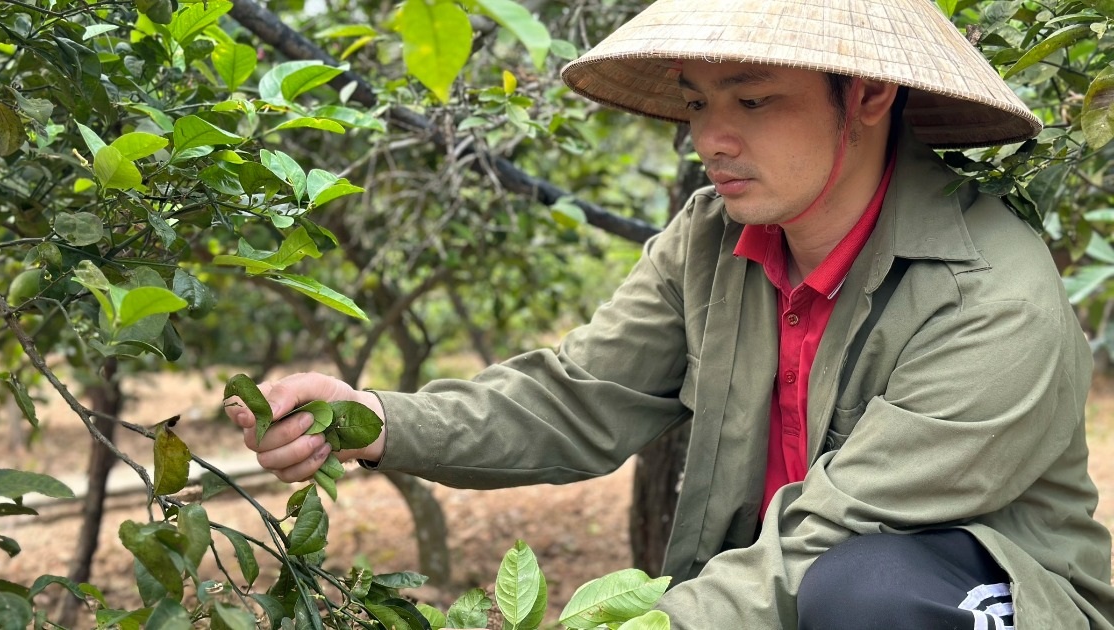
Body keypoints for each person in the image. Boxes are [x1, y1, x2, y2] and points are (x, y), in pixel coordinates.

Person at [225, 0, 1114, 627]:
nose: (711, 138)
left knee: (867, 590)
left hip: (966, 605)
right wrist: (376, 419)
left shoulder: (989, 291)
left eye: (754, 99)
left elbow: (837, 539)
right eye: (697, 101)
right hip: (775, 601)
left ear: (868, 96)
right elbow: (578, 396)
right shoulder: (710, 241)